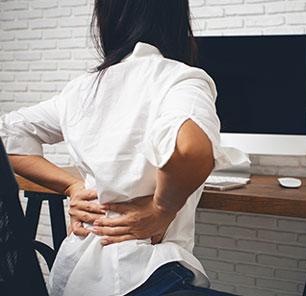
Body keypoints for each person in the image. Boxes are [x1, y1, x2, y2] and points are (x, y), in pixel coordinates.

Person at [0, 1, 249, 296]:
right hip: (147, 272)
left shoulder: (81, 88)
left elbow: (8, 131)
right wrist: (162, 208)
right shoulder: (179, 79)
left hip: (75, 274)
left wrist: (72, 186)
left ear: (106, 20)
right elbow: (191, 151)